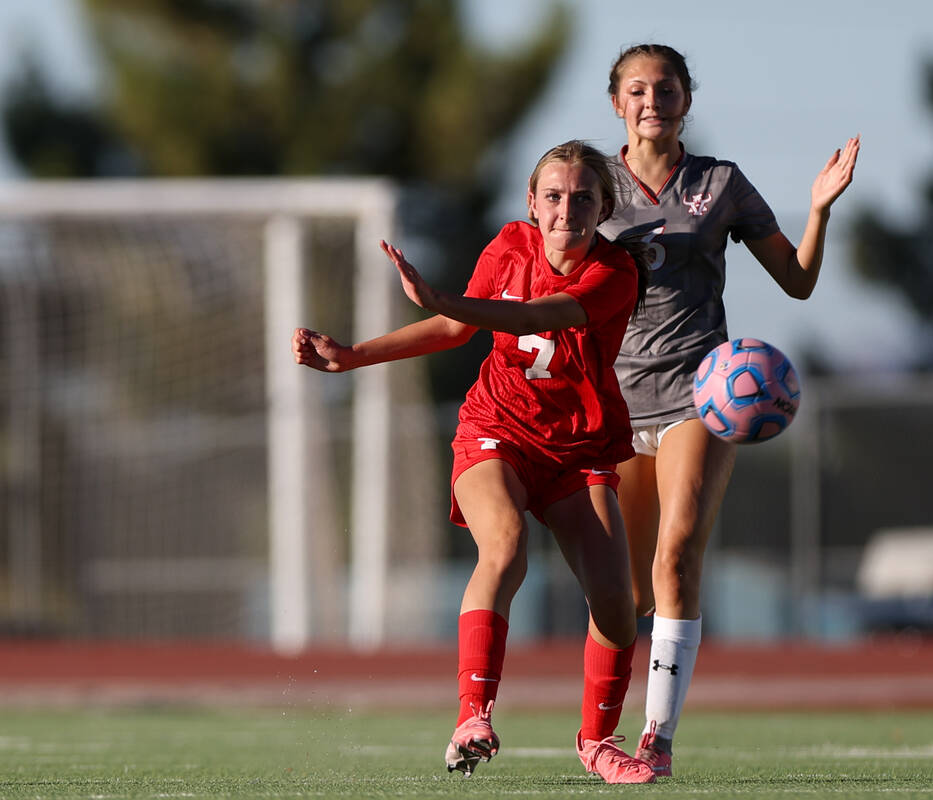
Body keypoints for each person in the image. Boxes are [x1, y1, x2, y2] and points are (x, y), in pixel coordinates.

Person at [292, 140, 656, 784]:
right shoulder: (509, 244)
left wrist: (441, 299)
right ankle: (473, 716)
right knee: (505, 545)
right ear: (531, 202)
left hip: (579, 447)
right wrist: (352, 356)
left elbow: (539, 314)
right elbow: (458, 331)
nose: (565, 208)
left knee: (618, 606)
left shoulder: (617, 271)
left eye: (582, 198)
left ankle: (598, 743)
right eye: (553, 196)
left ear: (603, 208)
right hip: (498, 430)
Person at [598, 44, 860, 777]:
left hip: (698, 395)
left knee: (676, 558)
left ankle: (658, 740)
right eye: (638, 90)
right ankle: (600, 734)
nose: (653, 100)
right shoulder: (590, 186)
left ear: (687, 98)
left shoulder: (720, 183)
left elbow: (798, 283)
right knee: (618, 592)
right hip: (613, 402)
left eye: (668, 88)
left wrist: (817, 208)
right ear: (617, 102)